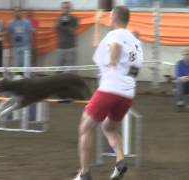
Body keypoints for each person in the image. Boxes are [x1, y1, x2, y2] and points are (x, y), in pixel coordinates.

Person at [73, 6, 143, 180]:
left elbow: (114, 46)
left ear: (113, 17)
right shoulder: (135, 41)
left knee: (84, 128)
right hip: (127, 93)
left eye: (110, 16)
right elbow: (100, 47)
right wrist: (97, 24)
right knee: (109, 127)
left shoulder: (115, 35)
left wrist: (112, 60)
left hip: (110, 88)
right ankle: (120, 162)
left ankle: (84, 174)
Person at [56, 1, 79, 69]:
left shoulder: (74, 19)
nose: (65, 9)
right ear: (61, 9)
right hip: (60, 47)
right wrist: (61, 23)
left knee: (71, 71)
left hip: (71, 48)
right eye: (63, 8)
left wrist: (64, 23)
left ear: (70, 9)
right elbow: (56, 28)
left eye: (67, 8)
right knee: (59, 69)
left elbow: (72, 31)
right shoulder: (58, 19)